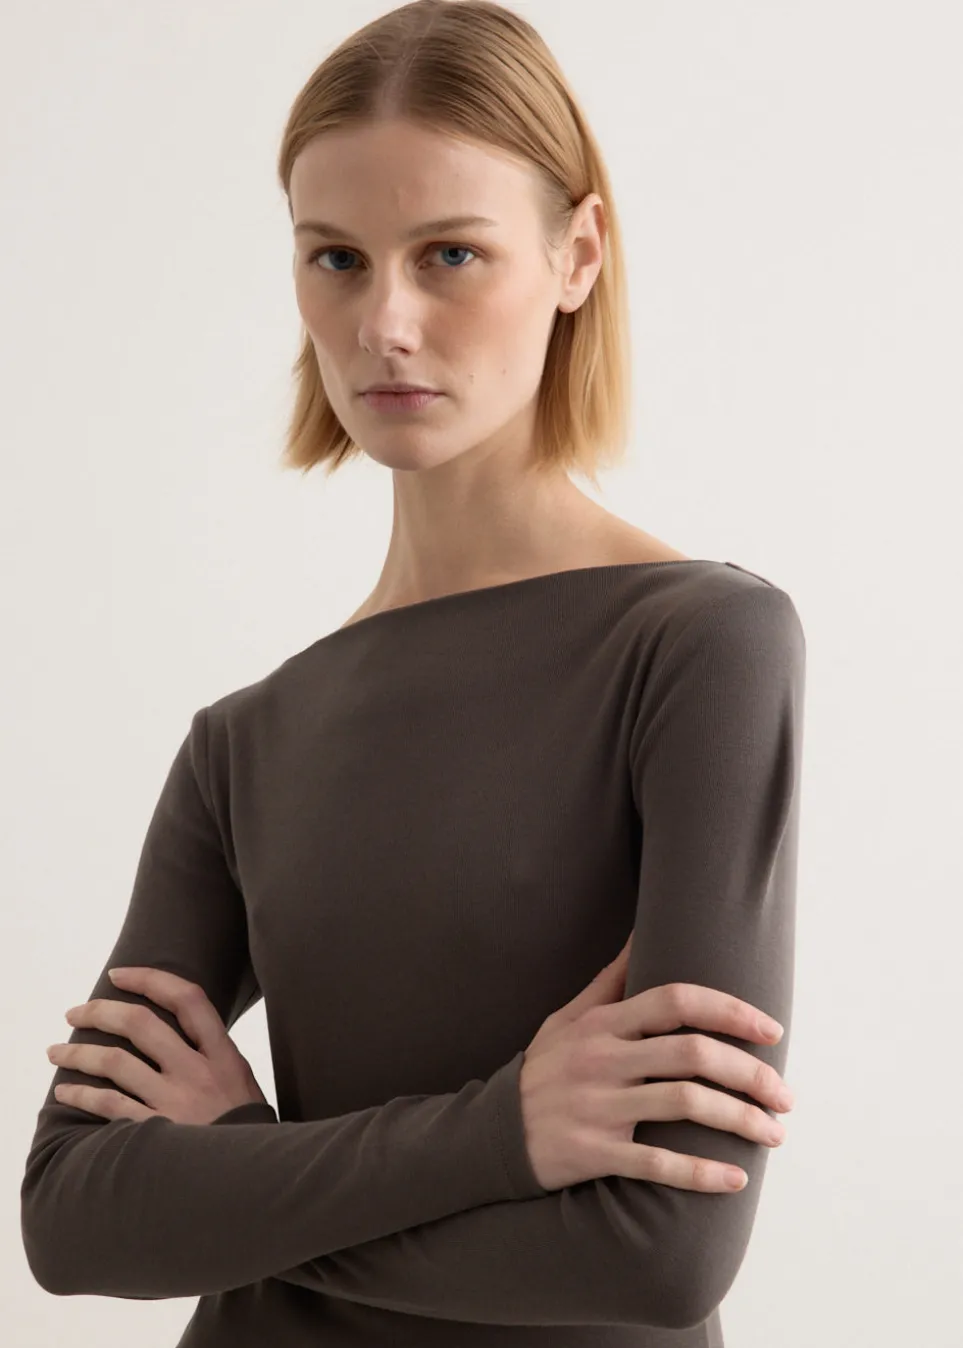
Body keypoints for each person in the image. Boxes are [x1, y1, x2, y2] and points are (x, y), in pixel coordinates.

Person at [21, 3, 805, 1345]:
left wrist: (243, 1176)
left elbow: (659, 1250)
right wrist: (500, 1132)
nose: (385, 323)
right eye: (336, 258)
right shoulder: (244, 740)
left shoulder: (697, 647)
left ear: (577, 254)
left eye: (450, 253)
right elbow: (72, 1218)